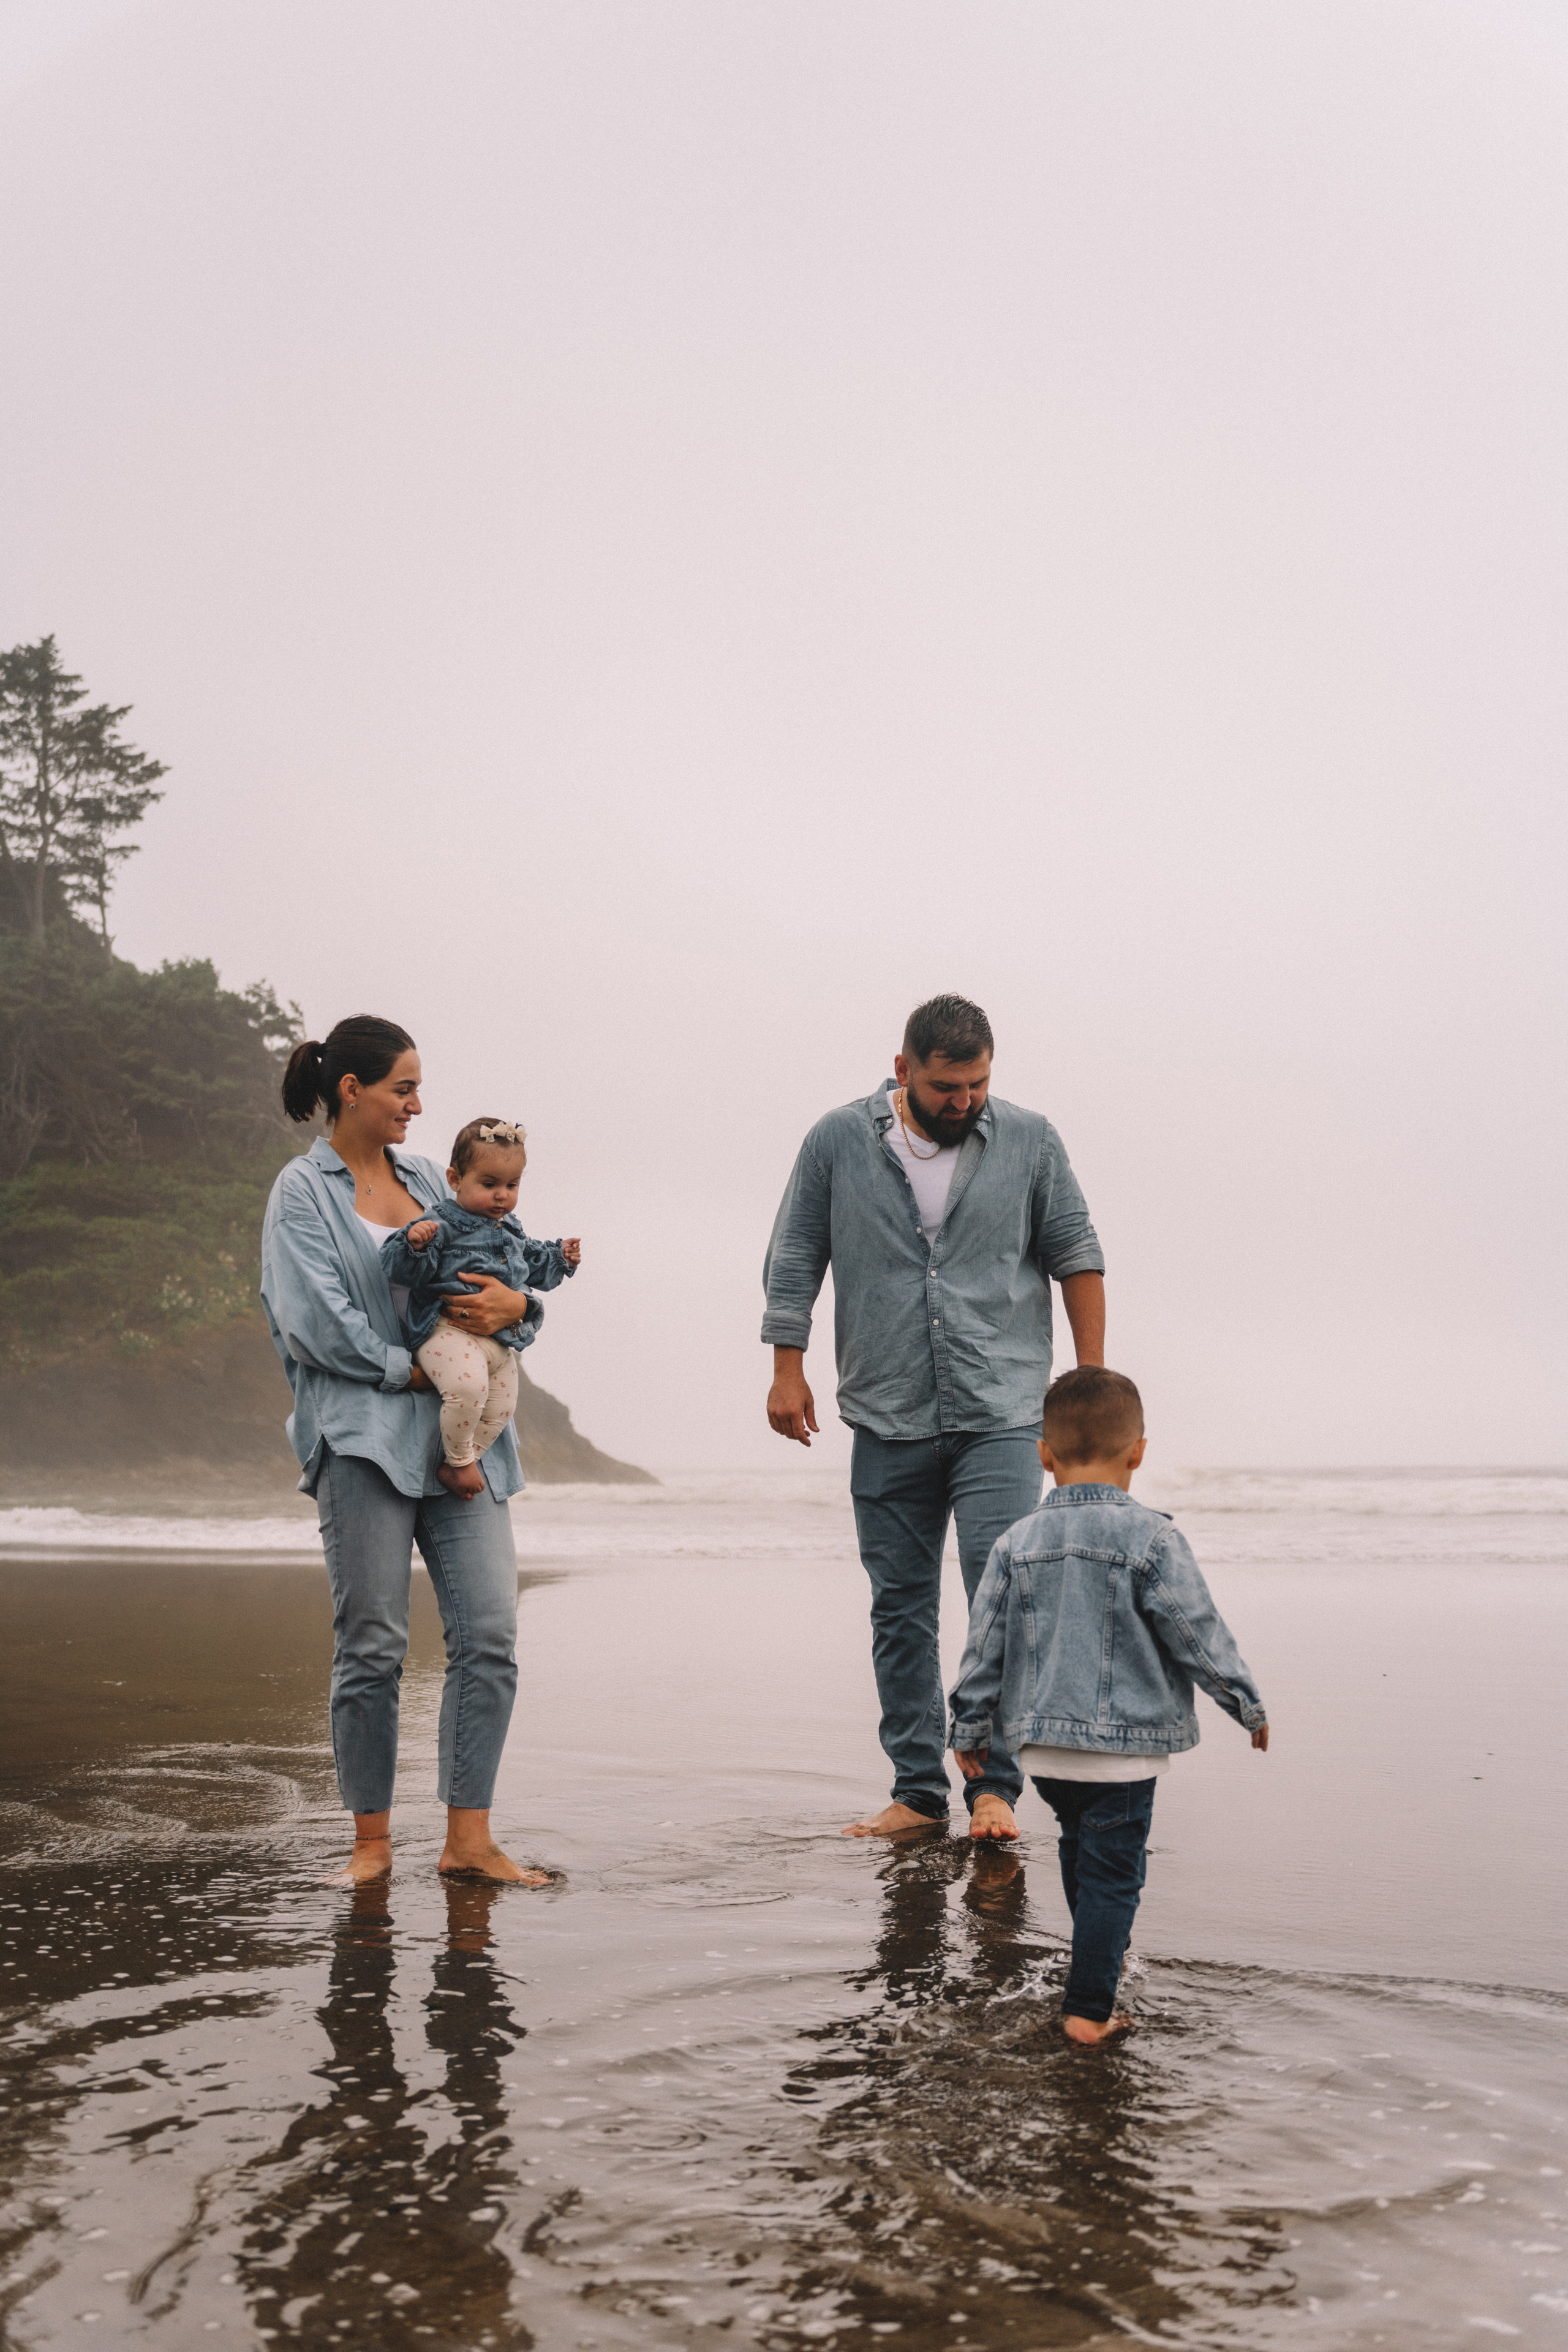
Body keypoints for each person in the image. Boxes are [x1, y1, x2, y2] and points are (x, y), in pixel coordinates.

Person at [763, 993, 1107, 1842]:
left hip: (1002, 1406)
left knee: (1002, 1590)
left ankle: (993, 1788)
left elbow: (1077, 1254)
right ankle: (917, 1794)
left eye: (978, 1084)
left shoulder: (1030, 1140)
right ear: (902, 1070)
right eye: (947, 1087)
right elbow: (797, 1251)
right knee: (900, 1609)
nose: (963, 1102)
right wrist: (786, 1367)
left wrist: (1090, 1381)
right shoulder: (837, 1140)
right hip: (886, 1408)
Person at [260, 1015, 546, 1887]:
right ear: (352, 1090)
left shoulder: (435, 1178)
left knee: (490, 1636)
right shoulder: (301, 1194)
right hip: (361, 1441)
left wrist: (523, 1313)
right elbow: (312, 1322)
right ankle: (372, 1846)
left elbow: (509, 1275)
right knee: (374, 1646)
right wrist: (408, 1370)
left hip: (462, 1445)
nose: (419, 1106)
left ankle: (468, 1839)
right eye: (403, 1089)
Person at [948, 1367, 1270, 2045]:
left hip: (1042, 1750)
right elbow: (1195, 1631)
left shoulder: (1014, 1543)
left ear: (1043, 1453)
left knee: (1078, 1843)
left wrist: (971, 1726)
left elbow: (984, 1646)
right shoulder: (1152, 1539)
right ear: (1138, 1452)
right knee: (1115, 1875)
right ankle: (1089, 2012)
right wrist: (1243, 1702)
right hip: (1123, 1753)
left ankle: (1094, 1954)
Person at [381, 1116, 581, 1502]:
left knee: (502, 1407)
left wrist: (561, 1257)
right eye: (489, 1185)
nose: (502, 1196)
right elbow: (404, 1271)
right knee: (467, 1389)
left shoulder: (510, 1229)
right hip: (447, 1330)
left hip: (499, 1342)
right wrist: (415, 1244)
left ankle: (463, 1460)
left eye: (512, 1185)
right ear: (456, 1179)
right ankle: (459, 1463)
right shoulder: (441, 1222)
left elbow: (533, 1264)